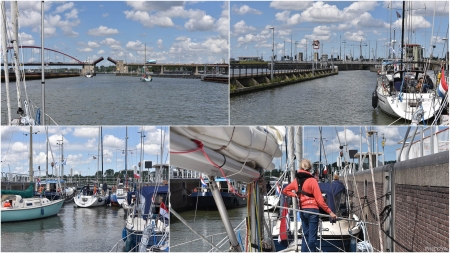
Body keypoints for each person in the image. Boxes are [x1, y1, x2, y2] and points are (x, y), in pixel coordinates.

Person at [282, 159, 337, 252]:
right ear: (310, 168)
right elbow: (320, 201)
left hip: (303, 211)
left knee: (305, 236)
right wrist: (330, 212)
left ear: (300, 168)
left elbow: (285, 190)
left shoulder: (296, 181)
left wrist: (295, 195)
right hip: (313, 211)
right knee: (312, 238)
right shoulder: (313, 181)